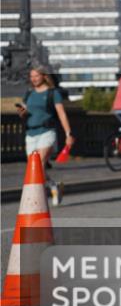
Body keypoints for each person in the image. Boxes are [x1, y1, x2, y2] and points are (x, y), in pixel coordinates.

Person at [16, 65, 73, 203]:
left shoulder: (53, 93)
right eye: (31, 76)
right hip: (31, 133)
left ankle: (38, 198)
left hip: (47, 132)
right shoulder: (29, 94)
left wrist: (68, 134)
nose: (34, 79)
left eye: (36, 75)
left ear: (43, 76)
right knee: (34, 167)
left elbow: (62, 114)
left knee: (40, 163)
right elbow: (24, 113)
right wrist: (21, 113)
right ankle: (54, 186)